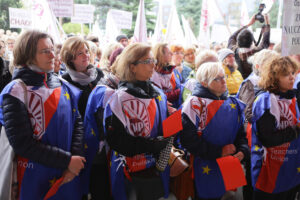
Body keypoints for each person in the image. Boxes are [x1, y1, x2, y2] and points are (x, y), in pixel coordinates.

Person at [0, 30, 85, 199]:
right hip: (32, 177)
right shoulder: (16, 90)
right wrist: (68, 161)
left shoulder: (64, 86)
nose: (53, 55)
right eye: (45, 51)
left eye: (52, 49)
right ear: (28, 55)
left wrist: (74, 160)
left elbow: (77, 122)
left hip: (67, 174)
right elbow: (21, 142)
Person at [104, 43, 171, 200]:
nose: (153, 64)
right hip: (129, 170)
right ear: (132, 67)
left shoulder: (158, 93)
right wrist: (151, 145)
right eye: (147, 61)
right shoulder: (119, 98)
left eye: (153, 60)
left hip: (156, 166)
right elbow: (116, 140)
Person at [180, 62, 249, 200]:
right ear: (204, 83)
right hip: (205, 165)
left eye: (223, 77)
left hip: (229, 164)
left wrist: (242, 150)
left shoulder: (232, 102)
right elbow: (188, 140)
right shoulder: (194, 104)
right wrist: (219, 151)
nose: (224, 81)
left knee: (228, 195)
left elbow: (240, 134)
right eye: (217, 79)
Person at [251, 57, 300, 200]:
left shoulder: (291, 97)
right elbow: (268, 139)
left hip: (290, 164)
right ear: (274, 78)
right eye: (286, 74)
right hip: (270, 168)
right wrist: (296, 130)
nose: (292, 77)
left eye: (292, 72)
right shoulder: (266, 100)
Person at [236, 49, 280, 200]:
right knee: (253, 174)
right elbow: (248, 113)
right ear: (260, 66)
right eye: (272, 65)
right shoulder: (250, 83)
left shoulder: (267, 81)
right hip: (252, 135)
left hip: (263, 134)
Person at [60, 36, 104, 118]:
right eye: (80, 53)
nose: (86, 55)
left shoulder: (98, 73)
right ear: (70, 58)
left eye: (87, 51)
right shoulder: (65, 80)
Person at [228, 14, 270, 79]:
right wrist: (267, 22)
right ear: (252, 42)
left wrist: (249, 24)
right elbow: (265, 43)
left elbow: (232, 37)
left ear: (238, 42)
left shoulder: (233, 51)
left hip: (237, 84)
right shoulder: (257, 53)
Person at [151, 43, 183, 109]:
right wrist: (181, 91)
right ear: (161, 55)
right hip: (163, 110)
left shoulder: (174, 70)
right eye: (169, 53)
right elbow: (158, 96)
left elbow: (181, 84)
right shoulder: (152, 73)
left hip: (177, 107)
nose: (172, 54)